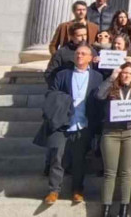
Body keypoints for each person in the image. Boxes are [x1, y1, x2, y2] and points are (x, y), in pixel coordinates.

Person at [41, 43, 103, 205]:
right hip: (63, 122)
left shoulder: (97, 77)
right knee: (58, 156)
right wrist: (66, 101)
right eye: (77, 54)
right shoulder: (63, 74)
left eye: (83, 54)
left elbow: (99, 101)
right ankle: (54, 190)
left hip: (83, 124)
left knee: (79, 159)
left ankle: (77, 190)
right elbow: (52, 93)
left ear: (90, 58)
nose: (79, 56)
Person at [96, 63, 131, 217]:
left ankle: (124, 210)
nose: (126, 76)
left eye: (130, 74)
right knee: (110, 173)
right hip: (111, 133)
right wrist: (112, 77)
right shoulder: (111, 87)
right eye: (124, 73)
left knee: (126, 172)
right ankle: (106, 209)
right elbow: (98, 95)